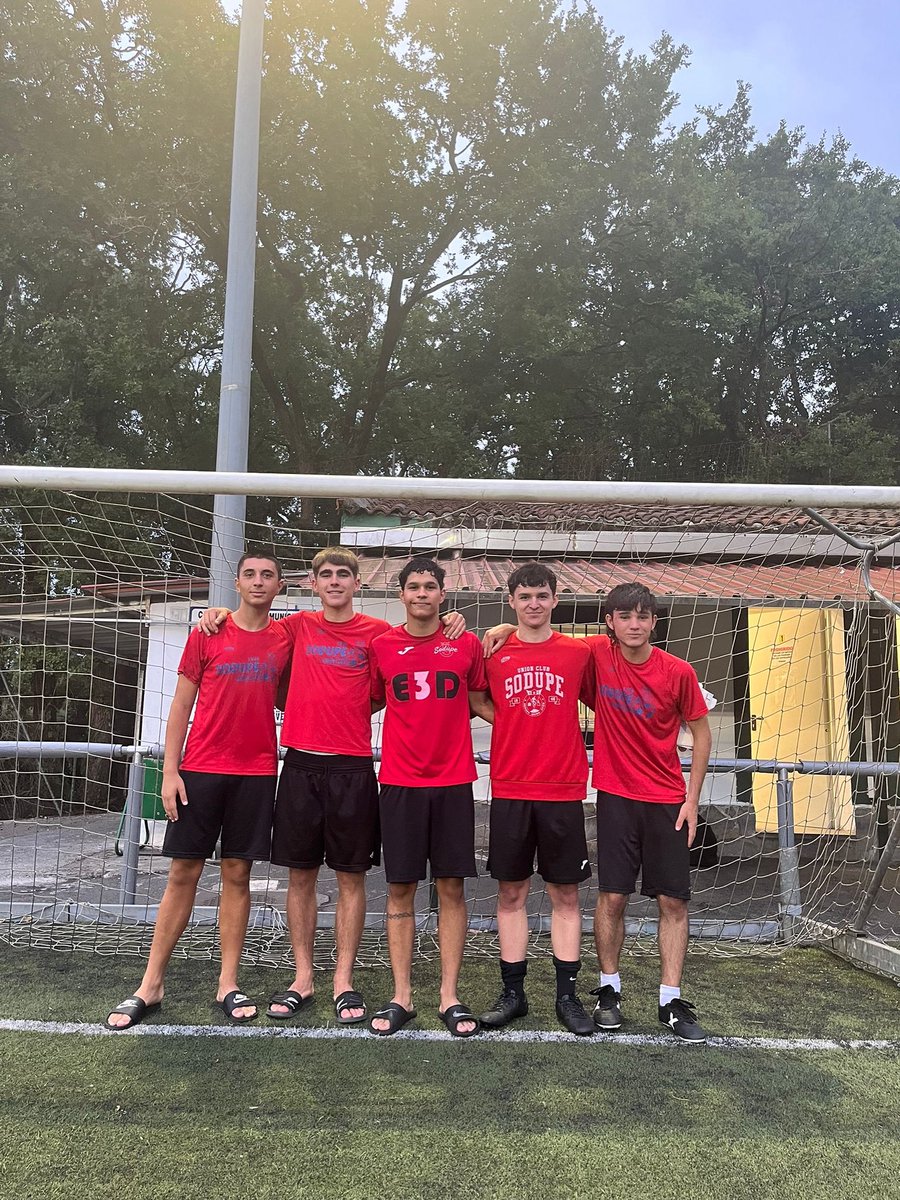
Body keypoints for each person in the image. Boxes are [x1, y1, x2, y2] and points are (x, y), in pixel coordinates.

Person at [198, 547, 464, 1026]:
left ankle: (344, 980)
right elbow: (248, 623)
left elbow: (390, 684)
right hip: (299, 765)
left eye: (344, 574)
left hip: (354, 768)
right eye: (326, 575)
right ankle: (303, 977)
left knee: (350, 877)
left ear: (357, 584)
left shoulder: (381, 635)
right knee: (299, 876)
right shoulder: (295, 627)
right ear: (314, 584)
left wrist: (462, 622)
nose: (335, 581)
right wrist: (217, 612)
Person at [485, 580, 712, 1042]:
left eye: (643, 616)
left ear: (654, 622)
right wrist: (507, 626)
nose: (634, 624)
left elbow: (702, 734)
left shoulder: (678, 671)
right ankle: (609, 992)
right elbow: (538, 630)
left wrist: (692, 799)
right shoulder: (592, 652)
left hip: (667, 798)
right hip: (612, 794)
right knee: (612, 898)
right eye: (625, 616)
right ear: (608, 622)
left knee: (673, 900)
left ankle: (670, 999)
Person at [105, 551, 290, 1030]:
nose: (258, 581)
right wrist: (170, 772)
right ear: (236, 582)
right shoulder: (208, 632)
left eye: (267, 575)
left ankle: (228, 983)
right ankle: (151, 983)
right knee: (182, 873)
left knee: (237, 873)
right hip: (200, 769)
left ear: (279, 586)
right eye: (250, 573)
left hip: (255, 774)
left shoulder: (284, 639)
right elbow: (179, 707)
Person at [469, 563, 595, 1035]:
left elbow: (607, 693)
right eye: (525, 597)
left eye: (542, 596)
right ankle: (514, 993)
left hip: (562, 788)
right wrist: (509, 722)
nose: (534, 604)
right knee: (511, 891)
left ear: (556, 599)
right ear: (512, 601)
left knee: (565, 893)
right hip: (511, 786)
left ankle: (567, 996)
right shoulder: (495, 650)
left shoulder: (579, 653)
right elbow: (476, 696)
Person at [367, 557, 489, 1037]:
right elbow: (370, 699)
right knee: (399, 888)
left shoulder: (465, 642)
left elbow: (481, 701)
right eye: (413, 587)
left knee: (451, 888)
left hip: (453, 782)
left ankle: (449, 996)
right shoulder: (382, 646)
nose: (421, 594)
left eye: (430, 587)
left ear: (443, 594)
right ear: (401, 595)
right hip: (398, 783)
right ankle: (401, 995)